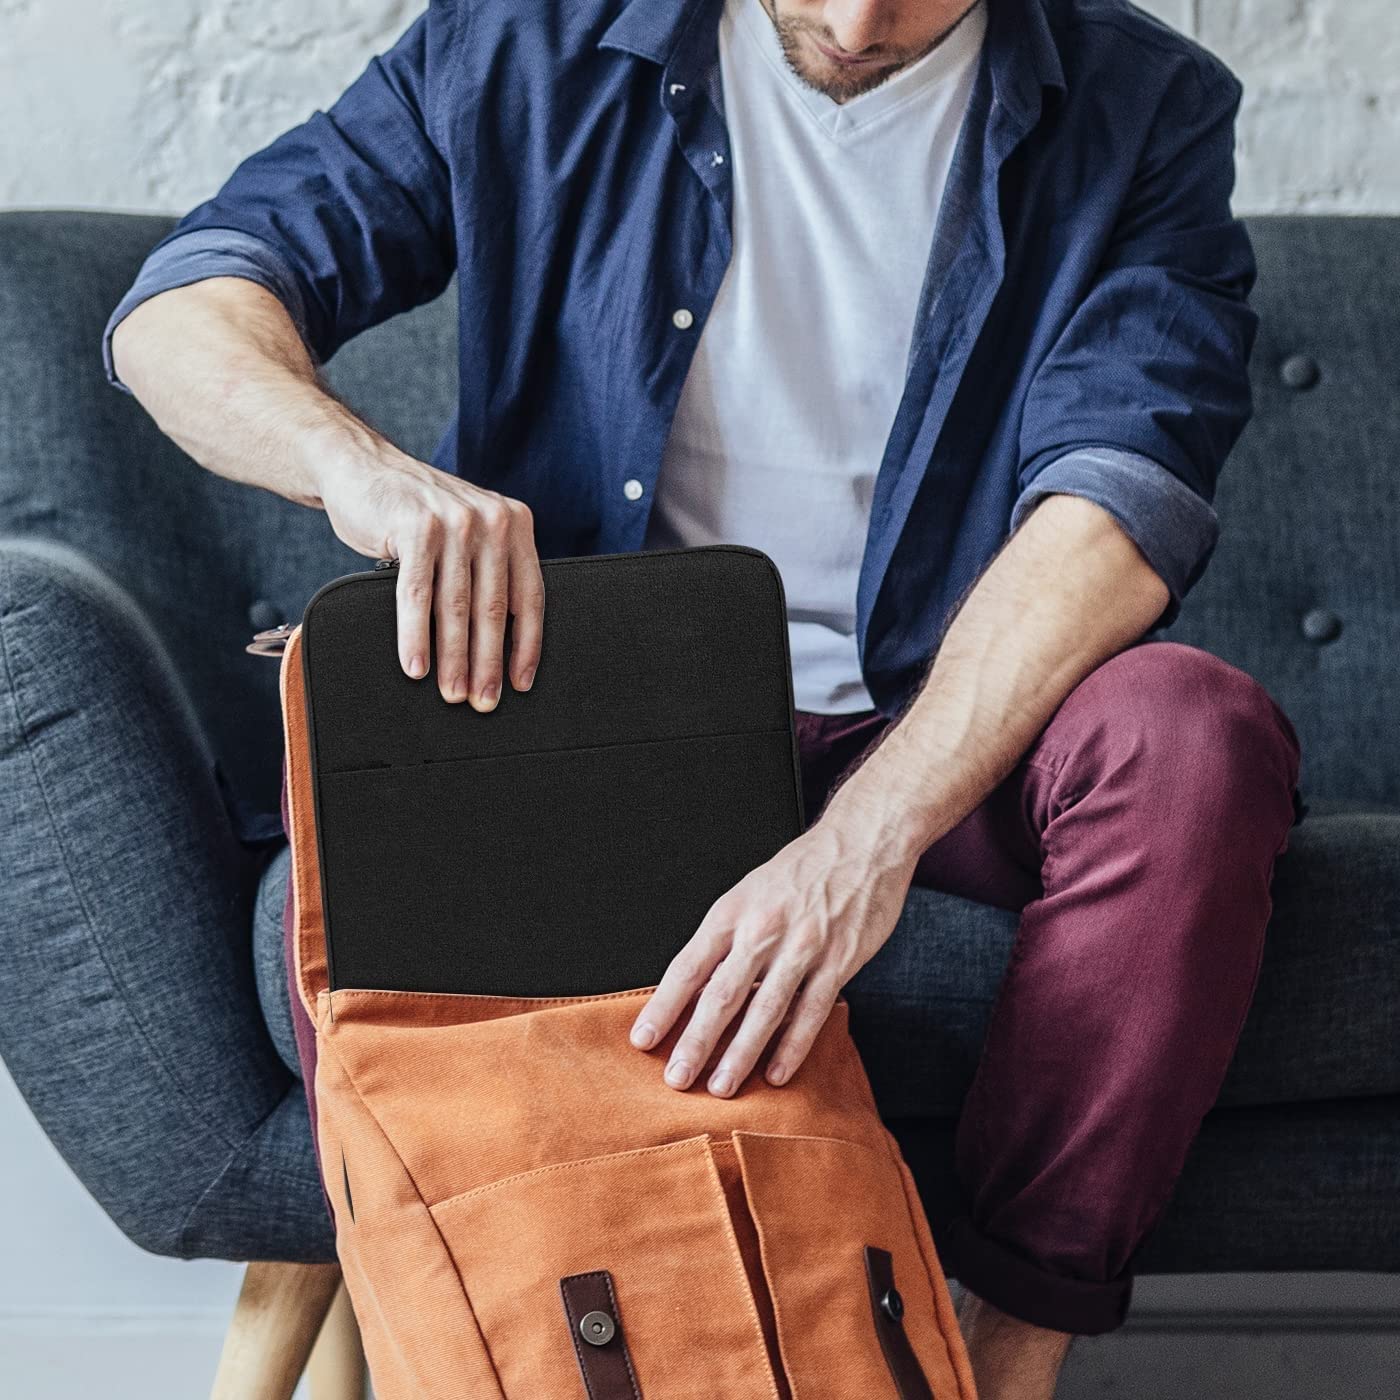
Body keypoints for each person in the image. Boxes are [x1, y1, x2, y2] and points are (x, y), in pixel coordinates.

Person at [105, 1, 1304, 1393]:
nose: (856, 23)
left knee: (1196, 738)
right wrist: (359, 471)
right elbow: (184, 308)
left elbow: (1119, 501)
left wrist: (865, 844)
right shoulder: (530, 39)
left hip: (945, 728)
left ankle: (1000, 1363)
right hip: (589, 717)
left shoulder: (1146, 106)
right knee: (386, 813)